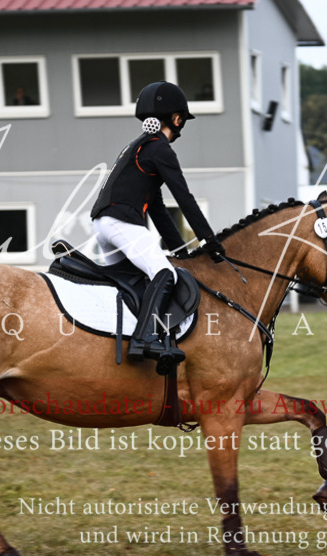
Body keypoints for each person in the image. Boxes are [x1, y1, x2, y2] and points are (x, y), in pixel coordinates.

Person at [90, 81, 225, 373]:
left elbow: (159, 209)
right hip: (121, 222)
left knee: (132, 283)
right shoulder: (159, 148)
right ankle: (145, 339)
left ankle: (119, 336)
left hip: (103, 225)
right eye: (181, 121)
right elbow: (184, 198)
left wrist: (184, 252)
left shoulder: (140, 146)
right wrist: (209, 240)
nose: (181, 127)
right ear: (176, 119)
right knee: (164, 273)